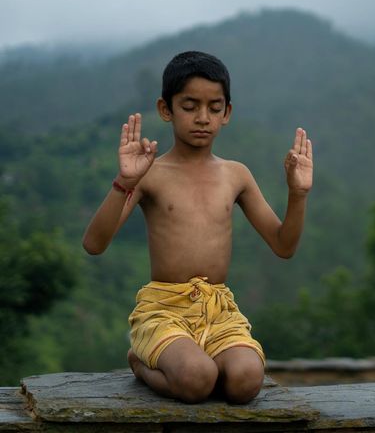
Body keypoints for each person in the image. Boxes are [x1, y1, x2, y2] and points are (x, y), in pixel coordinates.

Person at [82, 51, 313, 404]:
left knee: (247, 381)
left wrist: (297, 194)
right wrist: (124, 182)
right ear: (166, 109)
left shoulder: (236, 175)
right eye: (189, 106)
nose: (202, 118)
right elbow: (94, 244)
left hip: (218, 311)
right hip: (164, 309)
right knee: (196, 379)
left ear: (227, 113)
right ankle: (141, 364)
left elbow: (284, 245)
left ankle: (196, 365)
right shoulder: (152, 175)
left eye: (214, 107)